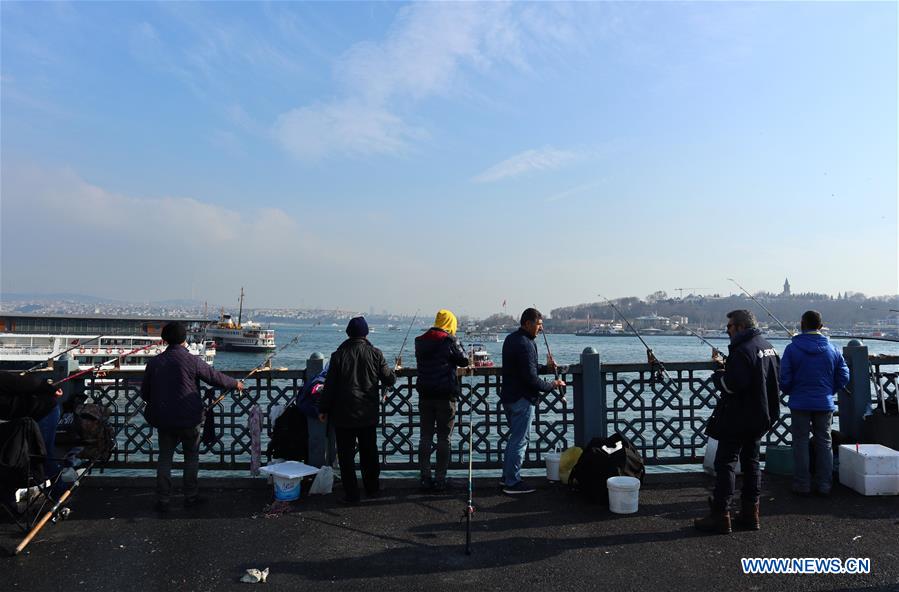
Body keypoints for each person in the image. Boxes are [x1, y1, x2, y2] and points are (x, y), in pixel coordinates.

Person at [140, 322, 243, 513]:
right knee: (191, 457)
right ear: (184, 339)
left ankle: (163, 499)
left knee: (164, 458)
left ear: (164, 340)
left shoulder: (154, 363)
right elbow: (215, 377)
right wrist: (235, 383)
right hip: (190, 417)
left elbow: (145, 394)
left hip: (164, 419)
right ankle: (191, 496)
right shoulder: (192, 360)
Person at [695, 310, 780, 534]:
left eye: (730, 326)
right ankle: (751, 515)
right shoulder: (767, 346)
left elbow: (732, 385)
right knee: (752, 463)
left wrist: (718, 376)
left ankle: (721, 515)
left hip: (739, 416)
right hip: (761, 415)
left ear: (741, 327)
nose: (727, 330)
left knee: (726, 464)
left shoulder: (742, 350)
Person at [318, 316, 396, 504]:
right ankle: (372, 489)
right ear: (366, 333)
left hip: (343, 414)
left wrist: (323, 409)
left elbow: (329, 386)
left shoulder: (338, 356)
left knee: (345, 456)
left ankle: (352, 494)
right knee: (369, 452)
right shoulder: (375, 353)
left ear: (348, 334)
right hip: (367, 413)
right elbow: (389, 379)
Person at [780, 310, 849, 497]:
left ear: (802, 324)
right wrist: (829, 390)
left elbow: (784, 377)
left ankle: (802, 483)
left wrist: (789, 391)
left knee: (800, 442)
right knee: (825, 442)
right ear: (820, 326)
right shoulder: (832, 349)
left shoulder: (792, 349)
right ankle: (824, 484)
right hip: (824, 402)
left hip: (800, 402)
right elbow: (844, 376)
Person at [499, 308, 565, 495]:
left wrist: (546, 367)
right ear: (527, 323)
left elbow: (528, 367)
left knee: (514, 440)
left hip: (509, 397)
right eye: (538, 325)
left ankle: (506, 477)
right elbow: (530, 378)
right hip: (522, 398)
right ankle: (512, 482)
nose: (541, 329)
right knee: (520, 441)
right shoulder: (526, 344)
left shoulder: (511, 339)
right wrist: (553, 384)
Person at [414, 309, 469, 492]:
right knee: (444, 438)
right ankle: (440, 479)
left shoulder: (420, 340)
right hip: (445, 395)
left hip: (425, 395)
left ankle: (424, 477)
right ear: (450, 323)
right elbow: (463, 360)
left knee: (425, 436)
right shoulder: (449, 340)